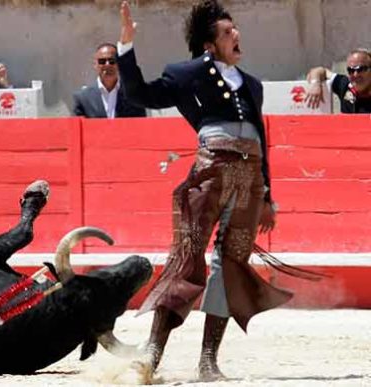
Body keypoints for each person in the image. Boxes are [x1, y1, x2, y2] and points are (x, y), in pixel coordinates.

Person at [116, 1, 294, 382]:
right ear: (210, 45)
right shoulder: (188, 73)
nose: (236, 35)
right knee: (186, 259)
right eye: (228, 32)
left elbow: (261, 139)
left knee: (230, 267)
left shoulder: (252, 84)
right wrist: (126, 48)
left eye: (235, 29)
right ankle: (151, 353)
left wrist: (267, 197)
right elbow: (139, 94)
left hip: (249, 181)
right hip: (210, 172)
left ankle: (209, 361)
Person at [72, 43, 147, 118]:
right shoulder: (83, 98)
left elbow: (142, 126)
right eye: (102, 61)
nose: (107, 65)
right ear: (95, 65)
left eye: (112, 61)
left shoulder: (134, 97)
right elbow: (77, 127)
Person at [304, 48, 371, 114]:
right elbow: (319, 71)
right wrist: (315, 84)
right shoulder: (345, 84)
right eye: (351, 70)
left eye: (361, 69)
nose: (355, 74)